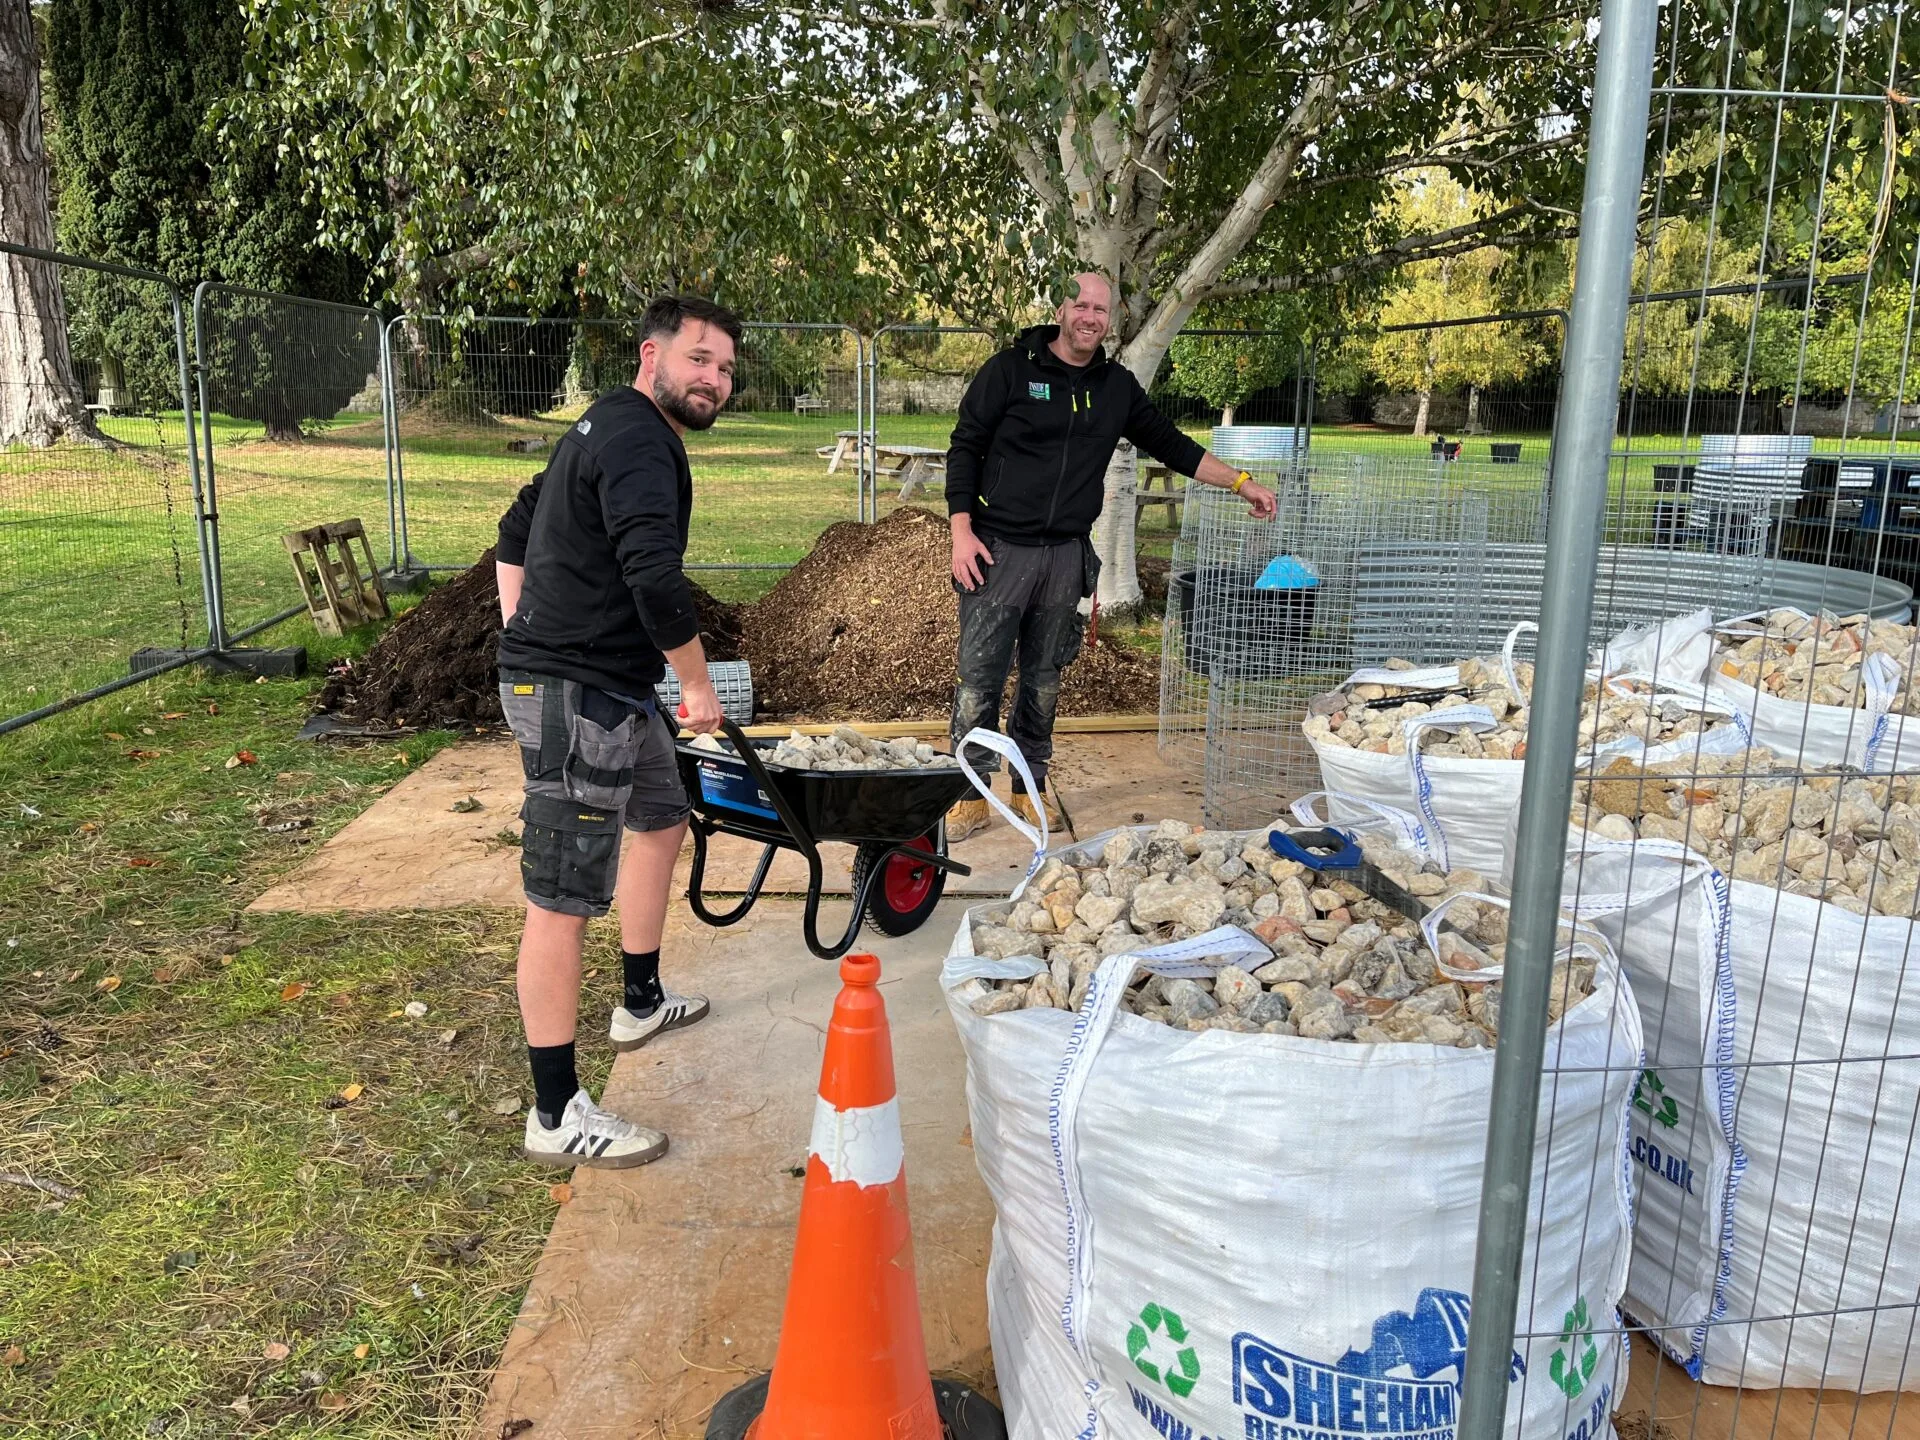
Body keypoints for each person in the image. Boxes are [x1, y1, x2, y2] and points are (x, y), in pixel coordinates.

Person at [492, 294, 740, 1169]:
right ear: (651, 355)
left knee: (663, 818)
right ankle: (555, 1114)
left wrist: (523, 625)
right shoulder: (636, 439)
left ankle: (638, 1000)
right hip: (578, 697)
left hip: (612, 687)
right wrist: (697, 683)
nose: (715, 379)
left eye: (725, 368)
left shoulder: (606, 424)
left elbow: (515, 528)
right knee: (561, 901)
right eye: (700, 359)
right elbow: (654, 576)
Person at [942, 272, 1278, 839]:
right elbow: (965, 445)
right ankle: (970, 794)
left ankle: (1028, 787)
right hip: (998, 552)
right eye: (1081, 305)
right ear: (1061, 309)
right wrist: (961, 531)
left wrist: (1241, 482)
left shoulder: (1116, 387)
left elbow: (1172, 444)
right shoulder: (1010, 370)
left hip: (1065, 556)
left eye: (1101, 309)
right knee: (979, 680)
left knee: (1043, 680)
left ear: (1111, 320)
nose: (1090, 317)